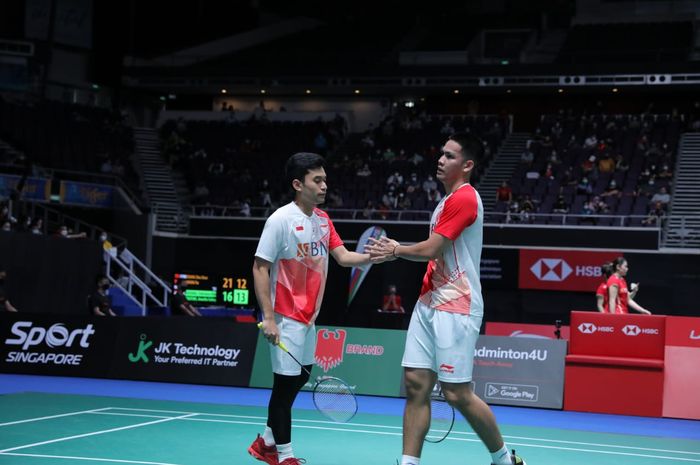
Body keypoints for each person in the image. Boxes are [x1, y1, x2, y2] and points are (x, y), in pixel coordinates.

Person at [366, 133, 526, 465]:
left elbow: (432, 249)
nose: (440, 159)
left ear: (467, 165)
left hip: (458, 303)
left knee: (456, 393)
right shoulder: (445, 201)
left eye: (450, 156)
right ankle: (408, 462)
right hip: (430, 301)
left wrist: (395, 250)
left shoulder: (465, 198)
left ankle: (503, 460)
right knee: (415, 385)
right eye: (441, 153)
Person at [249, 152, 390, 465]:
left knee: (301, 377)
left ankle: (267, 439)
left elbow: (342, 257)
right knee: (284, 389)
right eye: (318, 180)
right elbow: (260, 268)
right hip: (285, 317)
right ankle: (283, 456)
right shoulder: (280, 220)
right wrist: (268, 318)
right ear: (298, 184)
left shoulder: (323, 221)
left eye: (325, 179)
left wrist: (374, 257)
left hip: (309, 318)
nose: (325, 185)